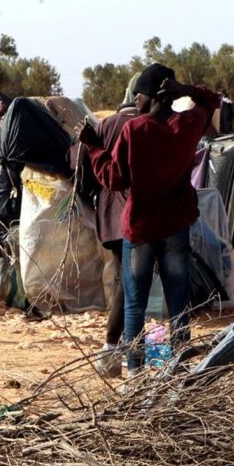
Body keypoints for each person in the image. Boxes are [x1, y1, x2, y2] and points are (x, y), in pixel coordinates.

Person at [77, 63, 219, 373]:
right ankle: (178, 367)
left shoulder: (135, 129)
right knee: (178, 304)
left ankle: (134, 370)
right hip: (176, 226)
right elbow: (212, 100)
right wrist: (188, 91)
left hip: (140, 229)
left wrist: (93, 146)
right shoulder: (189, 123)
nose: (135, 102)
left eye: (137, 95)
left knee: (134, 304)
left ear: (149, 96)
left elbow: (113, 179)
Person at [87, 98, 140, 378]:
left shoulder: (104, 124)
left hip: (109, 213)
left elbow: (83, 163)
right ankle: (115, 348)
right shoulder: (142, 123)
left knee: (126, 279)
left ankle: (118, 350)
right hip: (134, 213)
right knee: (130, 283)